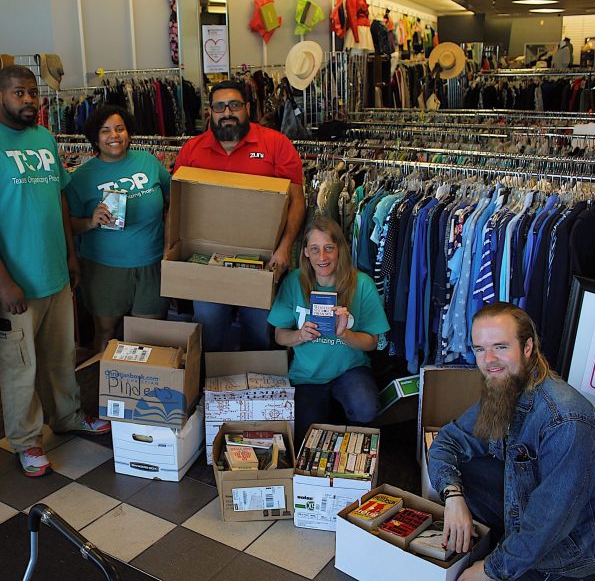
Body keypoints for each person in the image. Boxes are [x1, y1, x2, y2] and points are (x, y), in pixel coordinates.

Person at [0, 65, 109, 479]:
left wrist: (71, 256)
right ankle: (26, 441)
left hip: (55, 274)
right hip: (13, 285)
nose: (28, 101)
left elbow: (57, 198)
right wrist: (2, 281)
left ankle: (68, 416)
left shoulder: (42, 137)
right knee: (20, 367)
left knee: (61, 356)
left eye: (32, 93)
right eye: (19, 93)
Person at [429, 302, 595, 581]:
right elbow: (447, 441)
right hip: (529, 520)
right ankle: (499, 545)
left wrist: (488, 571)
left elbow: (546, 523)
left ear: (527, 348)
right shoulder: (506, 388)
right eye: (479, 349)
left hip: (571, 557)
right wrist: (452, 496)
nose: (489, 360)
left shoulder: (565, 419)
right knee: (467, 467)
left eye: (500, 347)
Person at [173, 79, 306, 352]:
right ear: (210, 112)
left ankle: (256, 392)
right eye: (220, 107)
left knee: (259, 337)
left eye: (234, 105)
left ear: (247, 107)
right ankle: (210, 390)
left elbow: (297, 200)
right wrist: (171, 251)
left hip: (263, 262)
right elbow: (177, 207)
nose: (227, 112)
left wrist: (284, 249)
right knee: (208, 334)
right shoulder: (192, 150)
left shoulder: (276, 145)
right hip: (208, 263)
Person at [267, 217, 389, 446]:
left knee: (366, 408)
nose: (322, 257)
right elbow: (279, 334)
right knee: (304, 435)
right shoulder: (294, 282)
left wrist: (345, 334)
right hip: (307, 376)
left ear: (340, 249)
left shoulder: (361, 284)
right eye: (315, 249)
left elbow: (372, 342)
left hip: (350, 370)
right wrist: (299, 335)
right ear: (305, 252)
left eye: (328, 249)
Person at [67, 105, 170, 351]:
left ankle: (143, 385)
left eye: (120, 128)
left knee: (148, 337)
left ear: (129, 132)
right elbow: (68, 225)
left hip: (151, 263)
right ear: (95, 138)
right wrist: (91, 220)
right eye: (105, 131)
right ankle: (106, 384)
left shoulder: (148, 162)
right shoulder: (81, 177)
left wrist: (170, 246)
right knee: (106, 333)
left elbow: (173, 201)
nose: (114, 135)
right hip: (105, 268)